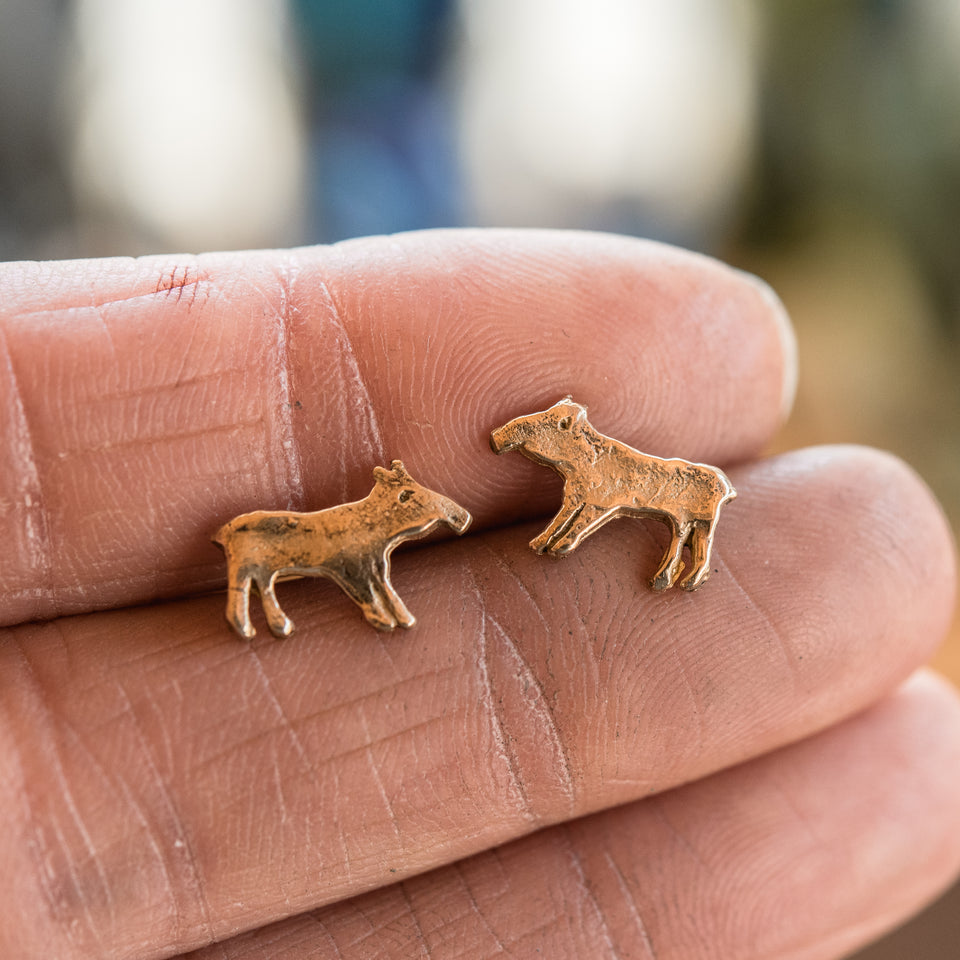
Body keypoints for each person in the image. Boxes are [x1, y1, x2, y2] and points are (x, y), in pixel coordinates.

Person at [0, 228, 957, 959]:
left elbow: (559, 511)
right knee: (306, 567)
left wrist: (497, 555)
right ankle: (278, 603)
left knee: (663, 529)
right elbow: (378, 550)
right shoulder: (364, 522)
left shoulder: (617, 473)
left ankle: (681, 555)